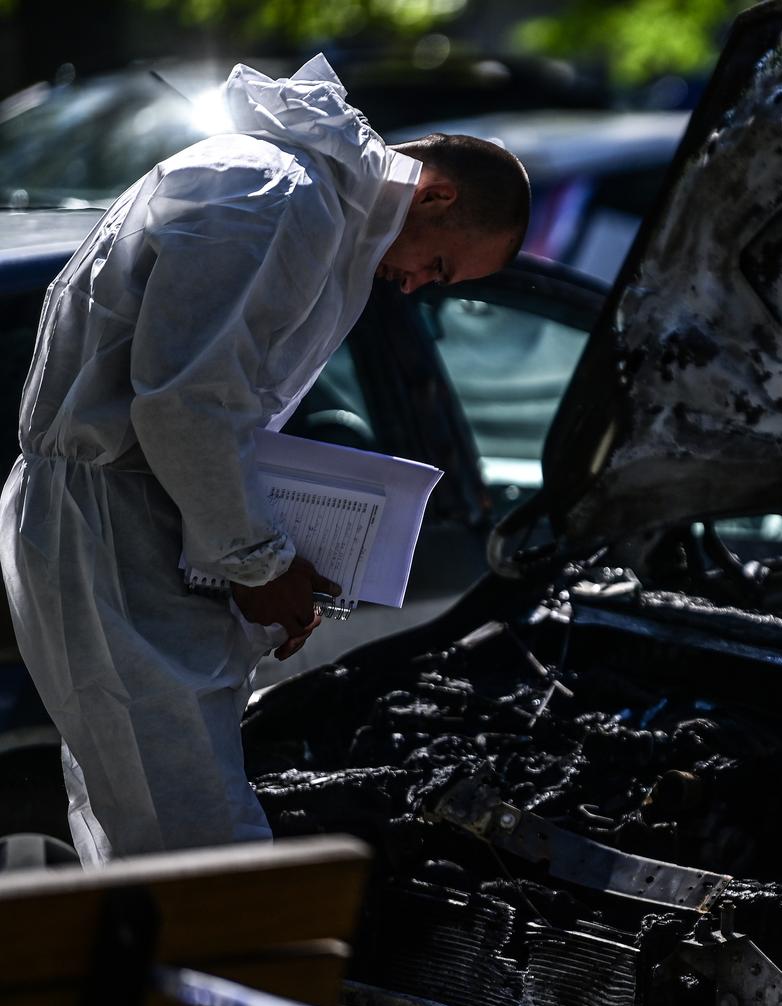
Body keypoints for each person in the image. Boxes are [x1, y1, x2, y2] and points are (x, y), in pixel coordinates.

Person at [0, 56, 530, 867]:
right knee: (197, 840)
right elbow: (187, 404)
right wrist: (259, 563)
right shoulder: (282, 198)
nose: (418, 285)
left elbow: (204, 403)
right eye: (441, 266)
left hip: (117, 514)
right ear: (437, 196)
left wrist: (255, 557)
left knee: (156, 831)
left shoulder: (306, 200)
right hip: (105, 519)